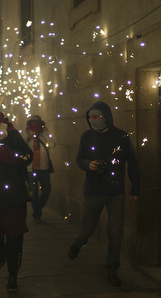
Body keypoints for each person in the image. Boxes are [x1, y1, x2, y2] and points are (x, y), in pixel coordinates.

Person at [68, 101, 141, 286]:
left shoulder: (122, 137)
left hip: (116, 192)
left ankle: (112, 270)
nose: (94, 120)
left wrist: (136, 188)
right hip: (93, 192)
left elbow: (132, 163)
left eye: (97, 117)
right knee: (86, 230)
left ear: (106, 117)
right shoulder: (86, 137)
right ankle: (78, 243)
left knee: (115, 234)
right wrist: (88, 165)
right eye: (91, 117)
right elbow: (79, 158)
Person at [0, 106, 33, 292]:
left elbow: (27, 156)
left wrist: (7, 148)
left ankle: (12, 274)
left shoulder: (11, 134)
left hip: (13, 193)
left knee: (14, 235)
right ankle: (1, 249)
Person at [25, 115, 56, 224]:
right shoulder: (27, 137)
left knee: (47, 190)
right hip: (31, 170)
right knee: (33, 194)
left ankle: (38, 208)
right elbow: (21, 147)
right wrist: (29, 136)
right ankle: (36, 215)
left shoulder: (44, 136)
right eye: (32, 123)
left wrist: (46, 132)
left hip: (43, 169)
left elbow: (52, 144)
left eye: (36, 123)